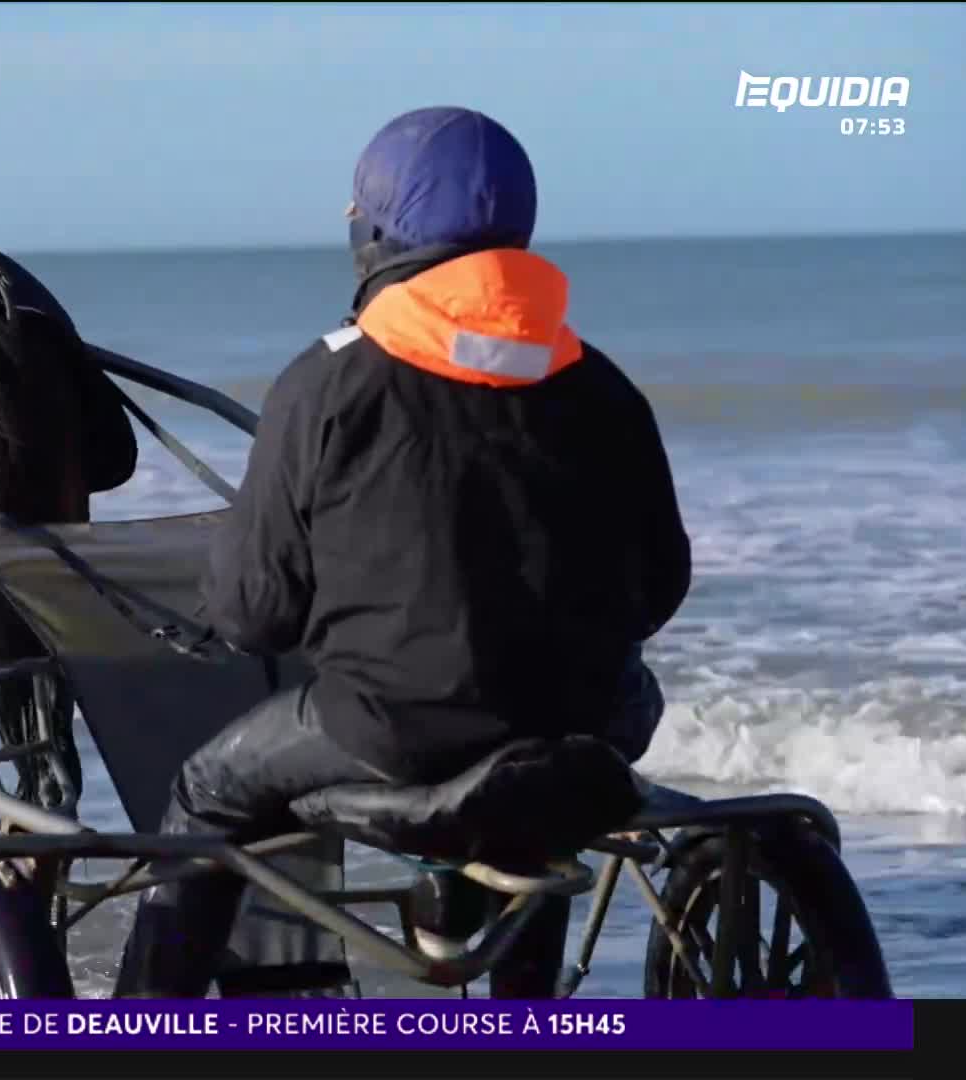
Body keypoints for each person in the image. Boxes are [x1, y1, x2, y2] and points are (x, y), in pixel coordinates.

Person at [112, 106, 692, 998]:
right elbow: (659, 588)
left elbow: (255, 614)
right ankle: (511, 990)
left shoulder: (331, 378)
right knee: (548, 722)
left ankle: (144, 1021)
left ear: (376, 235)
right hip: (595, 725)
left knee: (206, 788)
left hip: (397, 736)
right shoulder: (602, 382)